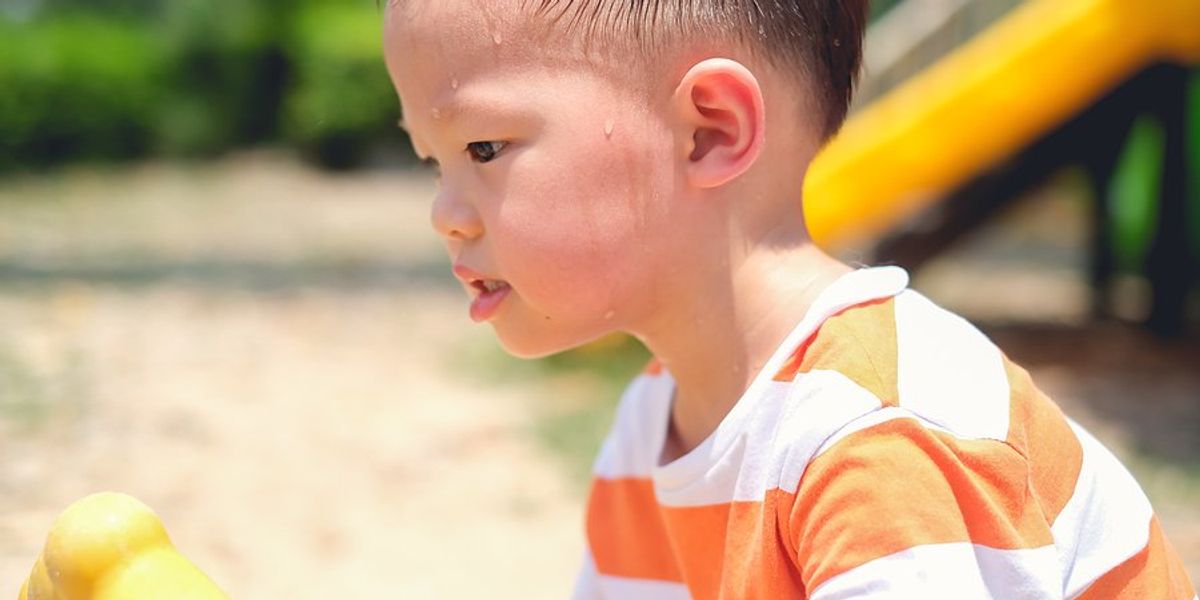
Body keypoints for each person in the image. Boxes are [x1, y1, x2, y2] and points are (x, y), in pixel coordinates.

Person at [382, 1, 1196, 598]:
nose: (444, 215)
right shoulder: (648, 429)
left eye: (482, 148)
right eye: (433, 162)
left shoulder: (877, 435)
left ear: (708, 130)